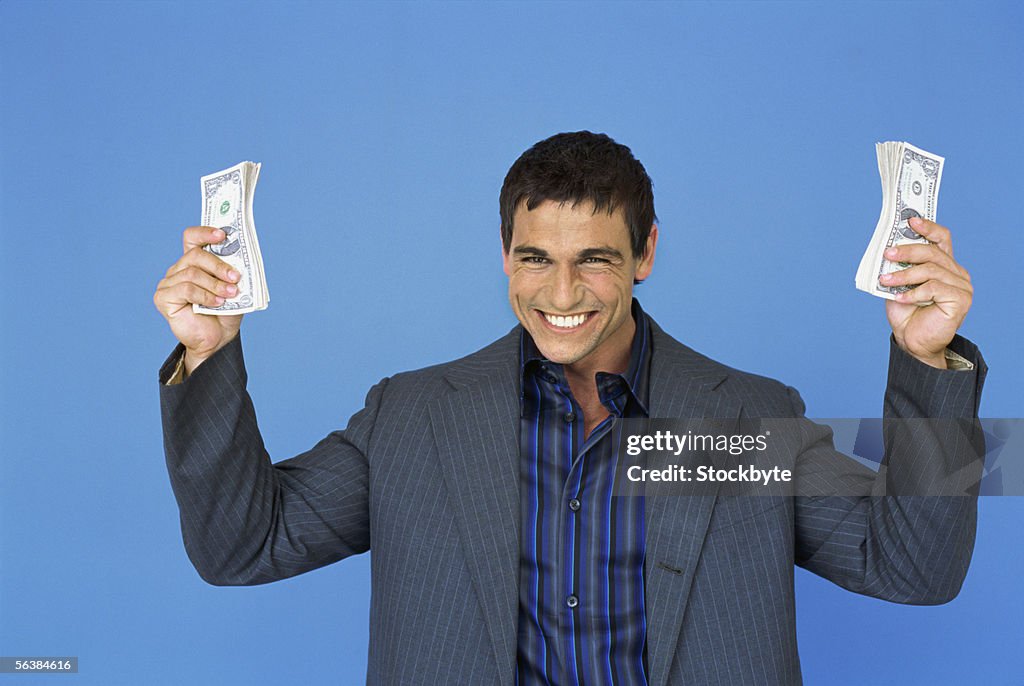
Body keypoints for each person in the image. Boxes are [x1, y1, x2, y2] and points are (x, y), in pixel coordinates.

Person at [153, 131, 986, 685]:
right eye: (535, 258)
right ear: (505, 257)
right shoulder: (413, 419)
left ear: (646, 253)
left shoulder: (734, 426)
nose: (561, 293)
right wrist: (209, 352)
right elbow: (243, 547)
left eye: (594, 259)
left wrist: (925, 360)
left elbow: (912, 568)